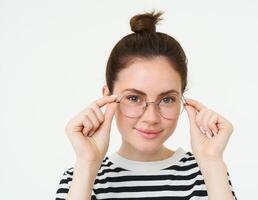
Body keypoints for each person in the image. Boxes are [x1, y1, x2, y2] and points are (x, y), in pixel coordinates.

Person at [56, 10, 237, 200]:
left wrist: (212, 162)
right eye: (134, 98)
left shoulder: (206, 175)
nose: (151, 118)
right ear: (108, 97)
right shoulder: (78, 179)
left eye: (167, 100)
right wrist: (87, 163)